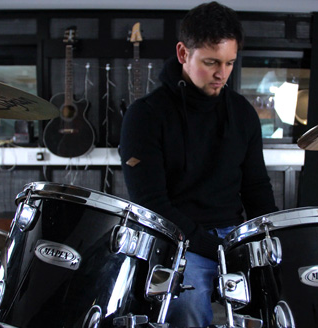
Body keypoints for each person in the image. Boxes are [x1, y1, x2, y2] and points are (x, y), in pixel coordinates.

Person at [119, 2, 278, 327]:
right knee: (187, 306)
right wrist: (212, 248)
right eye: (211, 63)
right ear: (182, 54)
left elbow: (256, 188)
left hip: (234, 236)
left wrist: (271, 241)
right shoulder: (145, 115)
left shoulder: (242, 113)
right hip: (176, 240)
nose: (222, 74)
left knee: (284, 295)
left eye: (230, 63)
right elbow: (151, 204)